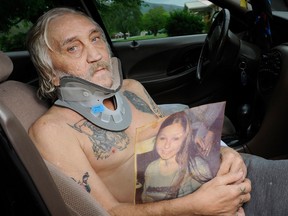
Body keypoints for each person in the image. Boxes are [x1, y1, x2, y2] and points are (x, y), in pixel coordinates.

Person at [27, 7, 288, 216]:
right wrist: (197, 207)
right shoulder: (51, 131)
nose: (96, 54)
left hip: (217, 180)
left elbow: (181, 139)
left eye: (95, 38)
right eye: (73, 48)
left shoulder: (131, 88)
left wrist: (225, 152)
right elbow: (105, 212)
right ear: (49, 71)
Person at [141, 111, 213, 203]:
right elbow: (145, 200)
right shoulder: (151, 168)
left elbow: (207, 202)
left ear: (184, 141)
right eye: (162, 138)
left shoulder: (197, 167)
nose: (166, 145)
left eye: (175, 139)